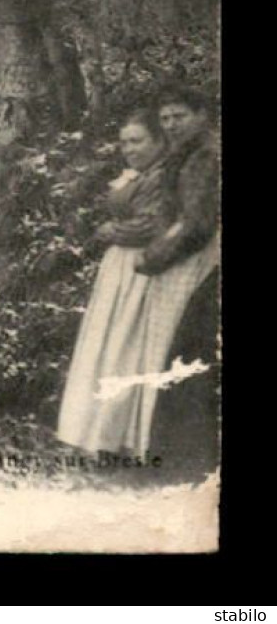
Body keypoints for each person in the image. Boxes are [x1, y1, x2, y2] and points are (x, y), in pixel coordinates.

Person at [55, 109, 174, 457]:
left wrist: (113, 231)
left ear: (159, 141)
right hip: (119, 265)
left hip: (141, 264)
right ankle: (91, 432)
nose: (129, 149)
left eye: (137, 141)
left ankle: (115, 437)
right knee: (104, 342)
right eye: (124, 142)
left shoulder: (164, 176)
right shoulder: (139, 175)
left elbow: (155, 224)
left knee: (125, 342)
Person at [142, 85, 221, 474]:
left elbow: (195, 224)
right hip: (188, 256)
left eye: (179, 116)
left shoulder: (204, 156)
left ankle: (183, 460)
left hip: (198, 263)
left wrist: (155, 257)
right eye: (165, 118)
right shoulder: (184, 154)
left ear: (201, 115)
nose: (171, 125)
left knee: (185, 351)